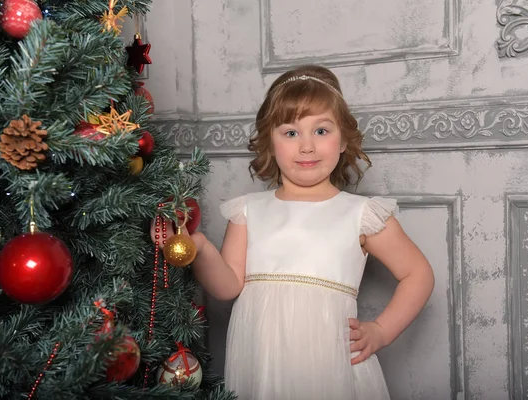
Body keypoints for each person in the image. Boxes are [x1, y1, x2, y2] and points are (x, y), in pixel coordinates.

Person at [185, 65, 435, 400]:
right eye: (291, 133)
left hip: (330, 366)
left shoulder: (361, 215)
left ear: (343, 139)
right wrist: (199, 247)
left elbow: (418, 273)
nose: (306, 146)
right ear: (270, 142)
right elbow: (227, 286)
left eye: (321, 131)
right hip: (261, 364)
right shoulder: (248, 211)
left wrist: (381, 331)